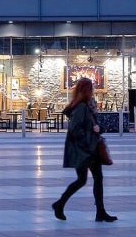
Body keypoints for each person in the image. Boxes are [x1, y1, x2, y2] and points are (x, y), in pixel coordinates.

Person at [51, 78, 117, 223]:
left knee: (92, 179)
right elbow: (75, 129)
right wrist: (88, 140)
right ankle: (60, 204)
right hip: (84, 150)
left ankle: (99, 212)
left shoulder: (86, 105)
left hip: (86, 148)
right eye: (91, 88)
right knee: (85, 180)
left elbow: (93, 125)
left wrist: (98, 129)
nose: (92, 91)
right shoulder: (81, 107)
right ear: (87, 90)